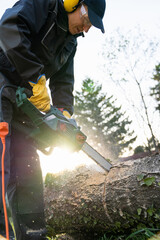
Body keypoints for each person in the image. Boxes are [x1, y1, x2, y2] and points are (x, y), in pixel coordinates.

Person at [0, 0, 106, 239]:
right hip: (2, 86)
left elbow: (64, 83)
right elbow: (8, 27)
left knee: (28, 169)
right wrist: (35, 77)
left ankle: (33, 234)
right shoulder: (42, 5)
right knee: (2, 159)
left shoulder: (70, 43)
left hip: (22, 102)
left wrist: (64, 114)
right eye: (87, 20)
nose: (86, 28)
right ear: (74, 4)